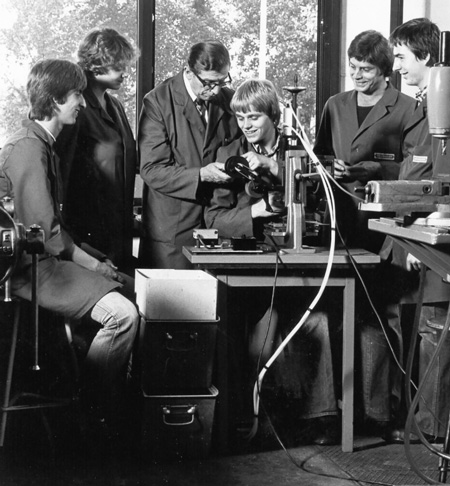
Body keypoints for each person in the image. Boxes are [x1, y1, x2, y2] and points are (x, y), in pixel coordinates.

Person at [0, 59, 139, 440]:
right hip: (31, 269)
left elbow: (54, 227)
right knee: (124, 315)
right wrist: (94, 266)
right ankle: (91, 410)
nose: (82, 102)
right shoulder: (28, 149)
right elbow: (45, 234)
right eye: (76, 94)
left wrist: (93, 256)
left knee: (139, 290)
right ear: (56, 100)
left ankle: (109, 398)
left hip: (46, 263)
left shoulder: (43, 144)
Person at [205, 79, 339, 445]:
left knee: (317, 321)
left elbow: (322, 197)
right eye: (241, 118)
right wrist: (258, 211)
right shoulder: (230, 153)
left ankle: (322, 419)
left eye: (254, 117)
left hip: (296, 265)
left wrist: (279, 170)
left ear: (274, 116)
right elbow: (214, 219)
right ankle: (250, 418)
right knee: (255, 339)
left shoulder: (298, 150)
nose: (246, 125)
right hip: (249, 272)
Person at [314, 30, 417, 438]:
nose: (357, 75)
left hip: (384, 227)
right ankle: (342, 414)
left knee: (381, 317)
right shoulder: (335, 105)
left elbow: (415, 170)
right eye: (353, 67)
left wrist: (371, 169)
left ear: (386, 70)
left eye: (367, 69)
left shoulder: (407, 109)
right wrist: (330, 167)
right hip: (341, 224)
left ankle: (381, 414)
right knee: (340, 316)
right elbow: (320, 153)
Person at [379, 17, 450, 442]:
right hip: (415, 238)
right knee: (425, 331)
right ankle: (426, 424)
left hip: (435, 244)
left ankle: (431, 430)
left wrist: (425, 230)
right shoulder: (425, 108)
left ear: (426, 55)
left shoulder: (443, 106)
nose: (398, 67)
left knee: (435, 332)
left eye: (402, 57)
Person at [138, 40, 241, 269]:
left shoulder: (228, 100)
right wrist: (201, 175)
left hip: (219, 226)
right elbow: (151, 170)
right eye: (209, 83)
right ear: (188, 71)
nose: (216, 91)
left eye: (222, 82)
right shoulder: (158, 101)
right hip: (173, 232)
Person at [56, 28, 137, 274]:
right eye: (118, 66)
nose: (125, 72)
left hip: (118, 226)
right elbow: (62, 176)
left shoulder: (116, 106)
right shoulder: (76, 110)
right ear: (94, 65)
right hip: (87, 230)